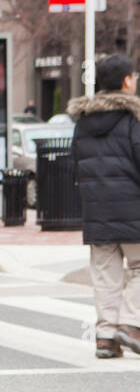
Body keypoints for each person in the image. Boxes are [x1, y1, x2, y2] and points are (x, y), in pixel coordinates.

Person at [67, 55, 140, 359]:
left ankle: (106, 337)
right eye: (134, 77)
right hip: (134, 209)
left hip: (96, 212)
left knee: (105, 275)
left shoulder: (83, 122)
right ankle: (131, 324)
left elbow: (75, 166)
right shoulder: (132, 119)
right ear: (126, 81)